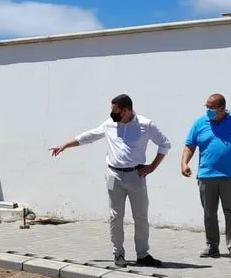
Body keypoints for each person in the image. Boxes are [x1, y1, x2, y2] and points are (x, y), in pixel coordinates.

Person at [49, 94, 171, 268]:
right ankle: (118, 254)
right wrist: (64, 145)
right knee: (116, 216)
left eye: (116, 111)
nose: (112, 114)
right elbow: (88, 136)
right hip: (113, 175)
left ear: (126, 110)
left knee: (141, 217)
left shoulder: (146, 125)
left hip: (137, 175)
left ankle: (143, 255)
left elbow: (165, 144)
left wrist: (152, 166)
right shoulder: (109, 124)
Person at [181, 93, 231, 263]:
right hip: (206, 176)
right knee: (209, 213)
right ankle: (212, 246)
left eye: (211, 107)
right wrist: (184, 163)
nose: (208, 110)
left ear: (222, 108)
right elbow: (190, 145)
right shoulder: (200, 123)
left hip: (230, 176)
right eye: (206, 106)